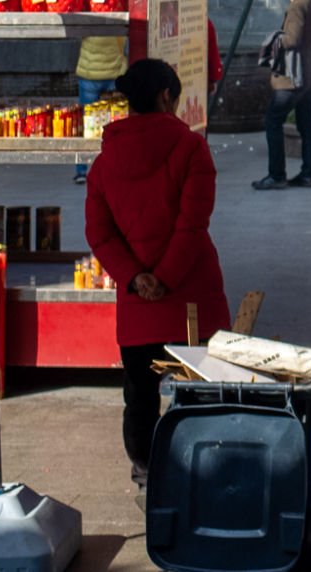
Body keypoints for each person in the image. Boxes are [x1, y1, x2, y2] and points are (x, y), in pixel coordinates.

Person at [84, 58, 232, 497]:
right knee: (204, 394)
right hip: (192, 303)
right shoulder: (191, 149)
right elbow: (192, 225)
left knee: (141, 400)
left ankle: (149, 479)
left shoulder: (103, 163)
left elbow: (99, 233)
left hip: (139, 312)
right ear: (167, 96)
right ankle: (203, 480)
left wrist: (136, 278)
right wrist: (166, 277)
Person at [254, 0, 311, 190]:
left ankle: (276, 175)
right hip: (309, 76)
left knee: (272, 120)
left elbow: (293, 38)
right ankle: (307, 174)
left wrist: (275, 41)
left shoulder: (296, 6)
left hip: (293, 77)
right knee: (306, 125)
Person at [73, 33, 126, 183]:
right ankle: (116, 166)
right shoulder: (116, 23)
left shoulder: (89, 23)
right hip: (114, 76)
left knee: (87, 124)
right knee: (116, 125)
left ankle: (81, 171)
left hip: (90, 77)